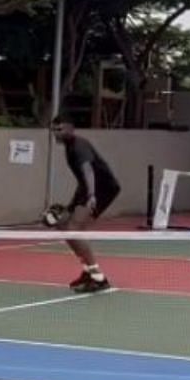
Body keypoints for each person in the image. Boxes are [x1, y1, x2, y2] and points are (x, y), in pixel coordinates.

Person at [50, 119, 123, 295]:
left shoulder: (78, 146)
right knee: (62, 223)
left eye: (60, 129)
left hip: (101, 188)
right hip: (85, 188)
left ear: (70, 129)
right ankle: (88, 270)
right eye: (53, 129)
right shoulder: (68, 146)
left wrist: (91, 195)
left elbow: (88, 169)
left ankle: (99, 279)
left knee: (74, 229)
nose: (56, 133)